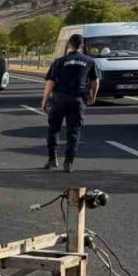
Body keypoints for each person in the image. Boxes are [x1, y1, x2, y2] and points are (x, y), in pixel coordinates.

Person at [40, 33, 98, 172]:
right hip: (77, 100)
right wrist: (93, 95)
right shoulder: (89, 61)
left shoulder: (59, 61)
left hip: (59, 99)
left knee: (53, 129)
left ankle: (52, 159)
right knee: (74, 131)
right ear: (82, 46)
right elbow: (95, 81)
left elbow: (50, 82)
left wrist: (45, 100)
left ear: (69, 45)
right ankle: (69, 162)